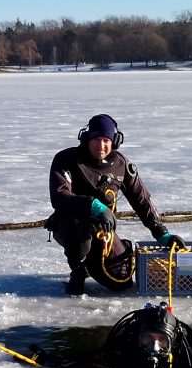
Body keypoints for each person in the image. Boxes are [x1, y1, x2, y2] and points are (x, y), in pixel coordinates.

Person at [47, 113, 183, 295]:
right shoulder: (67, 159)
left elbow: (141, 200)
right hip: (70, 224)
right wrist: (94, 205)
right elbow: (59, 196)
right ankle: (78, 270)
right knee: (78, 229)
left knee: (121, 281)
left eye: (106, 140)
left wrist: (161, 233)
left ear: (115, 141)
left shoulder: (121, 165)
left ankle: (95, 259)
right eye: (96, 139)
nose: (101, 145)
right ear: (86, 138)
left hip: (103, 229)